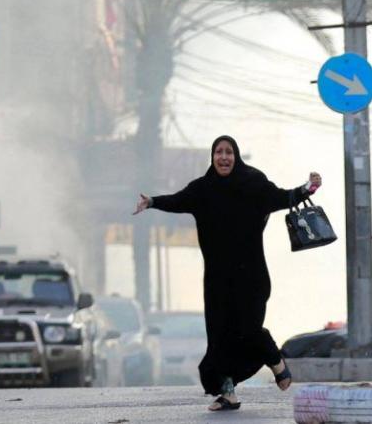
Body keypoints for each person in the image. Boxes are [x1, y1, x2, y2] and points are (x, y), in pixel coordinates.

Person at [133, 135, 322, 411]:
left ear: (236, 156)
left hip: (252, 278)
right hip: (217, 282)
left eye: (228, 152)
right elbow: (177, 200)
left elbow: (281, 197)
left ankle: (276, 362)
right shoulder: (202, 189)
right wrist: (151, 201)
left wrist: (308, 188)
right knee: (219, 340)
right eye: (219, 152)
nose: (223, 157)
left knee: (248, 330)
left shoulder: (253, 183)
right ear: (212, 157)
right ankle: (228, 393)